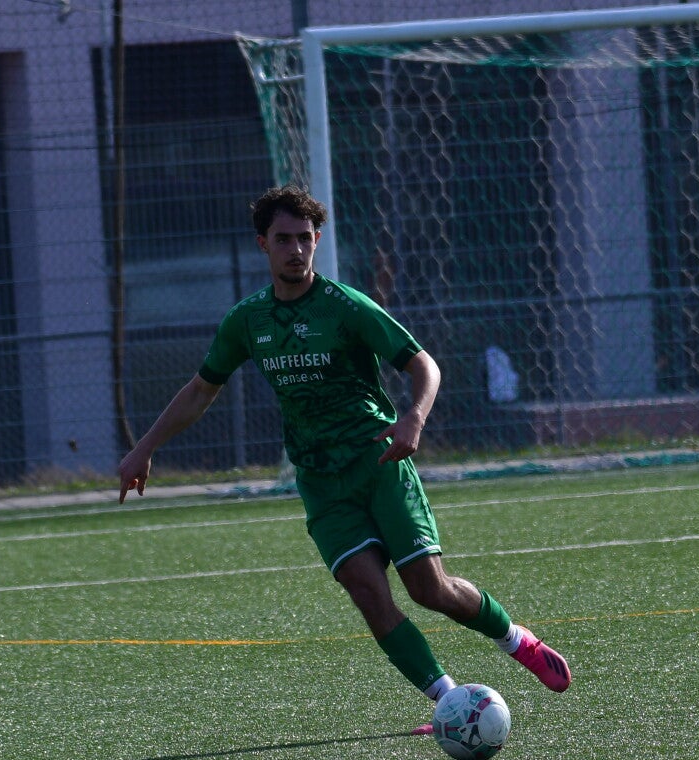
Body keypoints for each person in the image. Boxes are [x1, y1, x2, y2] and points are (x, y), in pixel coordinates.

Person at [115, 185, 572, 730]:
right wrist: (144, 448)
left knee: (429, 590)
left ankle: (516, 640)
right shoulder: (247, 320)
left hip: (379, 465)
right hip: (321, 481)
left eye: (305, 239)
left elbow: (423, 364)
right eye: (283, 239)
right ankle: (450, 704)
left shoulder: (346, 306)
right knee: (368, 594)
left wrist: (414, 418)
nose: (296, 250)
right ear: (263, 244)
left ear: (316, 241)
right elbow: (200, 389)